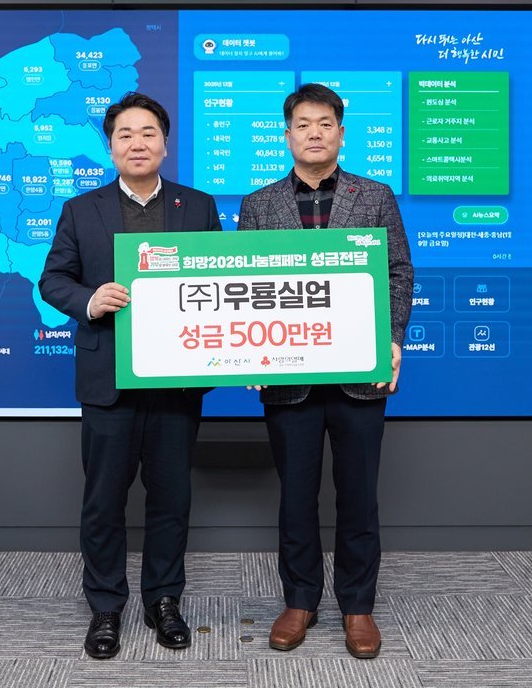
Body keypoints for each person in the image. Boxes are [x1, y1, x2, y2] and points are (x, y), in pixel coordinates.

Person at [39, 91, 222, 659]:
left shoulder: (198, 207)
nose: (137, 143)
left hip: (176, 380)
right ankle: (105, 606)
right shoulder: (81, 209)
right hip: (109, 380)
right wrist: (90, 300)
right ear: (110, 146)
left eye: (148, 133)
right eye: (125, 134)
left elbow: (221, 283)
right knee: (103, 501)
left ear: (165, 144)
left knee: (171, 499)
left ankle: (164, 600)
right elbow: (53, 280)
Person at [237, 83, 413, 659]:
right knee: (296, 496)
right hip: (287, 379)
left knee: (359, 495)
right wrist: (249, 354)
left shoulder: (375, 196)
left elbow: (398, 272)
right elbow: (245, 286)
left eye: (325, 123)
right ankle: (301, 600)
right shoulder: (259, 205)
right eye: (303, 124)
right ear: (287, 135)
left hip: (361, 373)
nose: (314, 133)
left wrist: (392, 339)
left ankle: (358, 606)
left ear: (341, 132)